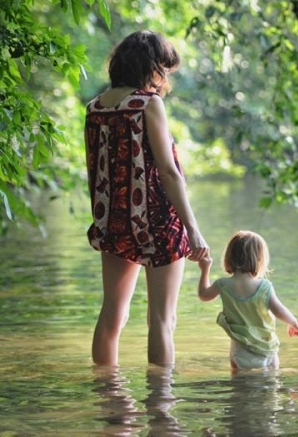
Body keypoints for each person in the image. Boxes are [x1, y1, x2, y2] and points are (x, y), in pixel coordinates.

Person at [85, 30, 210, 367]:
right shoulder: (148, 104)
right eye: (163, 69)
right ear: (150, 67)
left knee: (112, 316)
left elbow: (96, 168)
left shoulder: (94, 107)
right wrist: (193, 229)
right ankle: (160, 410)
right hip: (157, 219)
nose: (164, 77)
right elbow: (169, 173)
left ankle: (109, 402)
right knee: (162, 321)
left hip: (114, 220)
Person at [197, 230, 298, 373]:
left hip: (239, 350)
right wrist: (293, 322)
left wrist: (205, 269)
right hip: (265, 347)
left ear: (229, 257)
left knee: (238, 385)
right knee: (270, 385)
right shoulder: (264, 287)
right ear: (259, 259)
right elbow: (279, 310)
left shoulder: (223, 285)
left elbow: (203, 295)